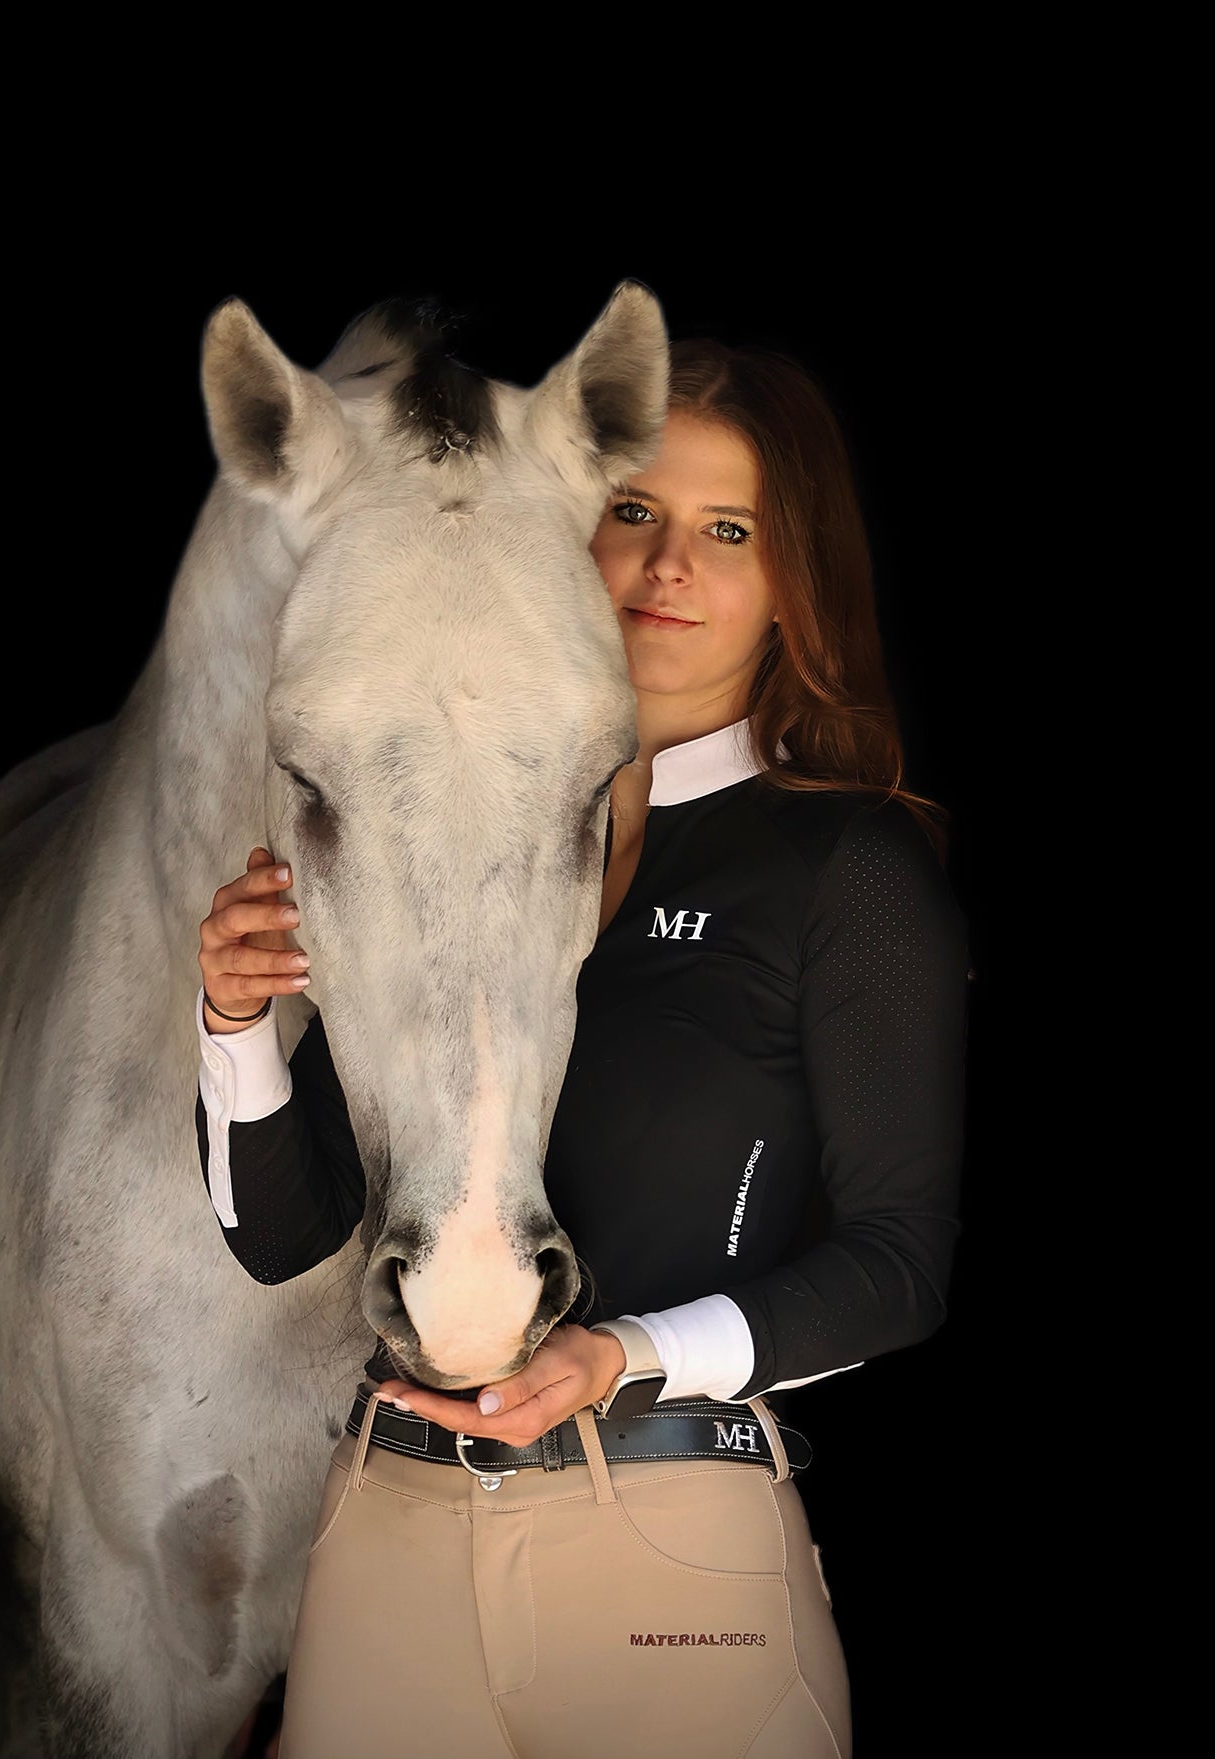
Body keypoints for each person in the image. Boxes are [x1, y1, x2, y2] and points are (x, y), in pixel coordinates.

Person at [194, 338, 969, 1758]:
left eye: (727, 531)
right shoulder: (434, 837)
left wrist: (618, 1359)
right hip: (385, 1543)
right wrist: (233, 1022)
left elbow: (900, 1264)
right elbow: (279, 1236)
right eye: (632, 514)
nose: (666, 565)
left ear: (796, 586)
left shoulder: (837, 867)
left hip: (668, 1549)